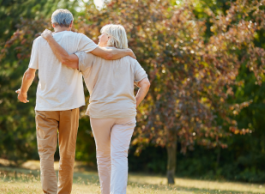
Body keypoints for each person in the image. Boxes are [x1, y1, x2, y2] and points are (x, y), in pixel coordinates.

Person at [16, 9, 135, 194]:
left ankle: (49, 192)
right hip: (70, 106)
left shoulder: (39, 41)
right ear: (71, 23)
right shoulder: (79, 39)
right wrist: (127, 51)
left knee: (46, 153)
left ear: (52, 23)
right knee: (67, 154)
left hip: (45, 107)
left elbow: (30, 72)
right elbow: (107, 55)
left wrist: (23, 92)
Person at [41, 24, 150, 194]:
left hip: (101, 113)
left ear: (109, 38)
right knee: (120, 156)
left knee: (104, 157)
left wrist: (50, 39)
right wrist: (133, 104)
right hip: (125, 113)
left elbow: (67, 60)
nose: (98, 38)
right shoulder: (130, 60)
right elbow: (145, 84)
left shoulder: (90, 57)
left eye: (101, 35)